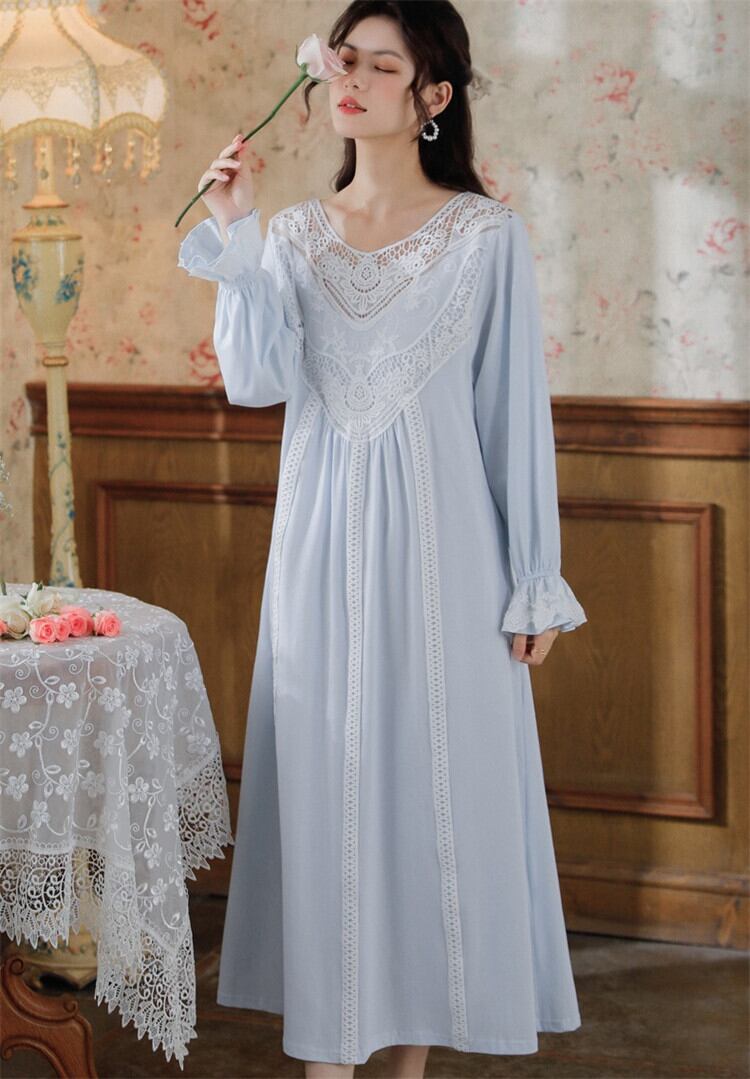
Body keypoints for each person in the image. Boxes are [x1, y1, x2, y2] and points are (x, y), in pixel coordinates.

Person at [177, 3, 587, 1077]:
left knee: (433, 807)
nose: (348, 80)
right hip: (317, 566)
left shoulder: (486, 238)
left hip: (455, 571)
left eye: (378, 65)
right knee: (332, 799)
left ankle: (401, 1066)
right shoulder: (292, 238)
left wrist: (534, 580)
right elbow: (257, 381)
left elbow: (514, 420)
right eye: (341, 60)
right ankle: (328, 1057)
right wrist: (235, 231)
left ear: (433, 96)